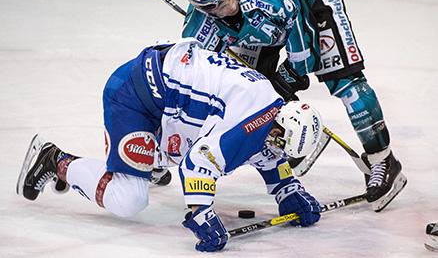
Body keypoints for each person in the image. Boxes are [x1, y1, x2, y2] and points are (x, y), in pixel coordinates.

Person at [17, 38, 323, 252]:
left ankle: (153, 160)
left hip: (167, 96)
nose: (278, 149)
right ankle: (56, 160)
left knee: (167, 156)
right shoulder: (251, 123)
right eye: (282, 141)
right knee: (129, 199)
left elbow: (266, 151)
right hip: (133, 95)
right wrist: (201, 212)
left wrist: (288, 188)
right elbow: (197, 164)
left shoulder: (271, 105)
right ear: (281, 123)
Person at [181, 0, 407, 211]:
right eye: (218, 7)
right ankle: (288, 140)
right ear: (203, 9)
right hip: (264, 14)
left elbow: (305, 45)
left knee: (345, 80)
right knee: (250, 88)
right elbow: (198, 73)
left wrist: (286, 80)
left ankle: (383, 159)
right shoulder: (199, 24)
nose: (229, 6)